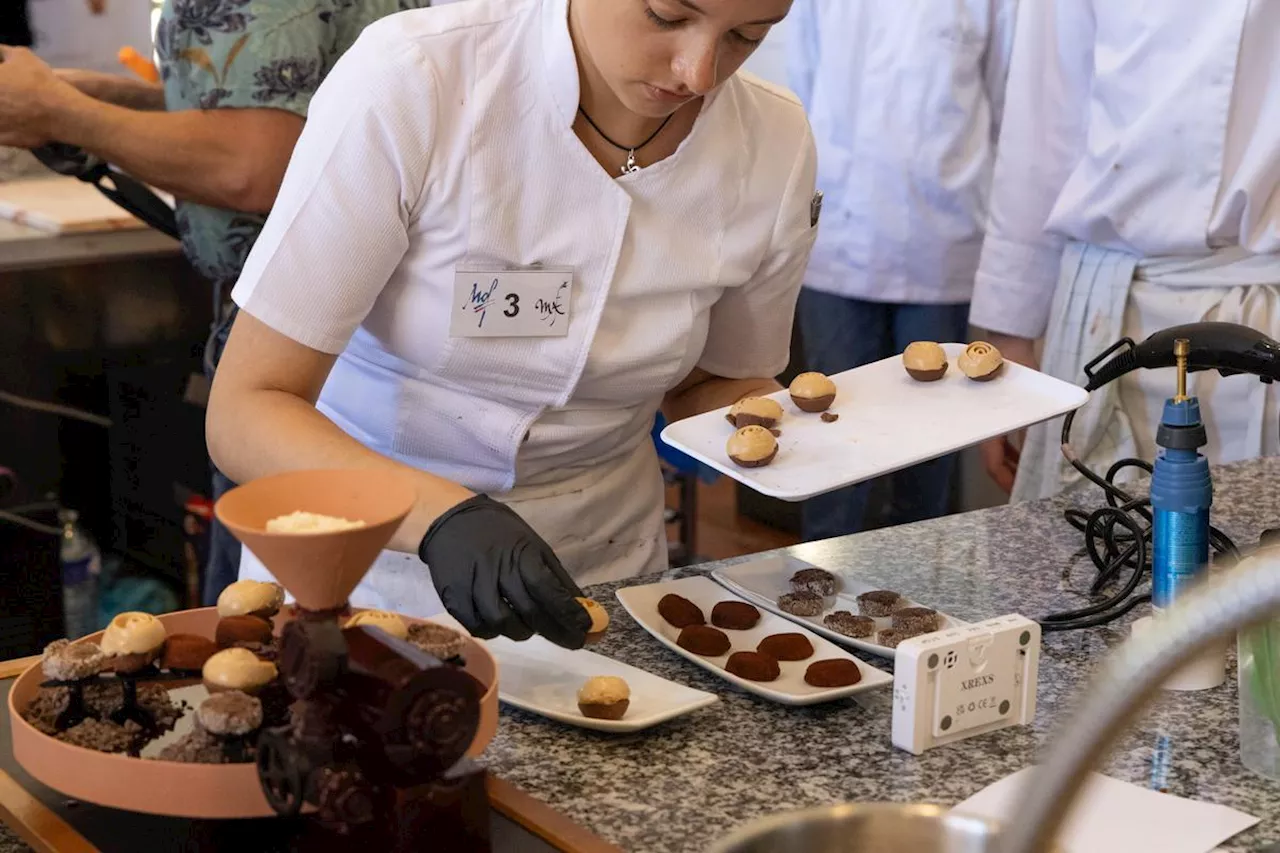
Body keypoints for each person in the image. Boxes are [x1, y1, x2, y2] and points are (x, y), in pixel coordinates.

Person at [206, 0, 818, 649]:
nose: (697, 73)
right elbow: (247, 411)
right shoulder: (418, 79)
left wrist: (805, 429)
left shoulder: (772, 144)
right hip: (364, 574)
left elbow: (707, 383)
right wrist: (438, 517)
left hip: (598, 569)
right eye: (666, 17)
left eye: (747, 37)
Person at [0, 0, 434, 606]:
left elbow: (253, 164)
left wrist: (57, 110)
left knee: (274, 629)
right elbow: (295, 112)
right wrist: (101, 102)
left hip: (315, 341)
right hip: (348, 331)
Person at [972, 1, 1280, 502]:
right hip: (1113, 309)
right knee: (1096, 552)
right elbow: (1044, 119)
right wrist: (1007, 339)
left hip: (1268, 303)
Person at [786, 0, 1017, 540]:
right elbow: (798, 84)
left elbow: (1009, 106)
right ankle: (818, 576)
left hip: (943, 238)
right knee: (829, 427)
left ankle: (919, 583)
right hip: (841, 233)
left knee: (929, 434)